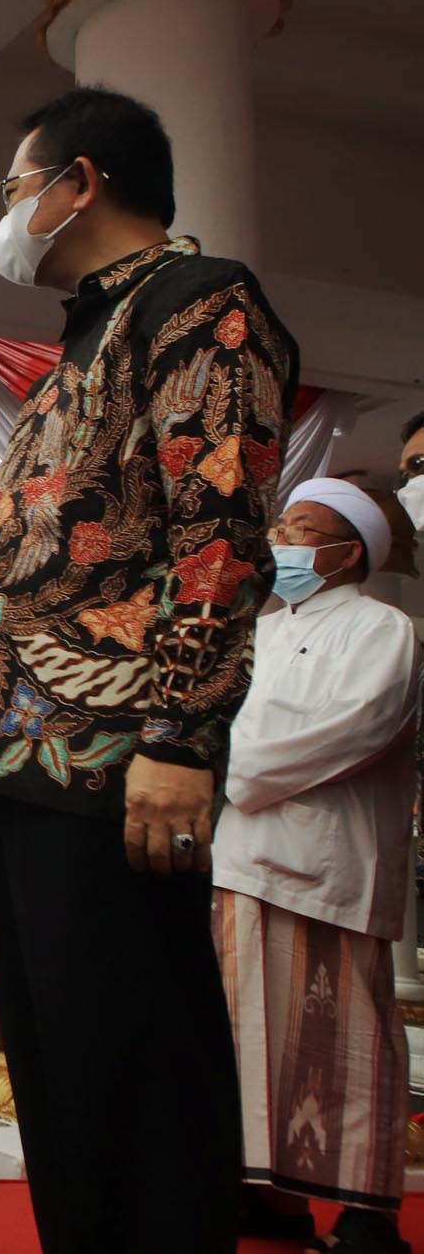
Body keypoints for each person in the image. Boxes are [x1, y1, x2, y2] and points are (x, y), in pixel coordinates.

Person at [0, 87, 299, 1254]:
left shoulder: (202, 305)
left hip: (108, 755)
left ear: (76, 182)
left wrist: (177, 742)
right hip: (24, 757)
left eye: (14, 185)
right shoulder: (82, 348)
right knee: (62, 1072)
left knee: (130, 1065)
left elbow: (220, 535)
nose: (10, 209)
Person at [212, 480, 419, 1254]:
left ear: (347, 551)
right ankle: (270, 1197)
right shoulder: (259, 629)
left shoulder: (382, 629)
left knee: (344, 1043)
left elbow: (353, 726)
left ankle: (368, 1214)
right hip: (240, 857)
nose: (282, 539)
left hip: (328, 865)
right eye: (283, 523)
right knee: (249, 1038)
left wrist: (225, 772)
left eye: (302, 528)